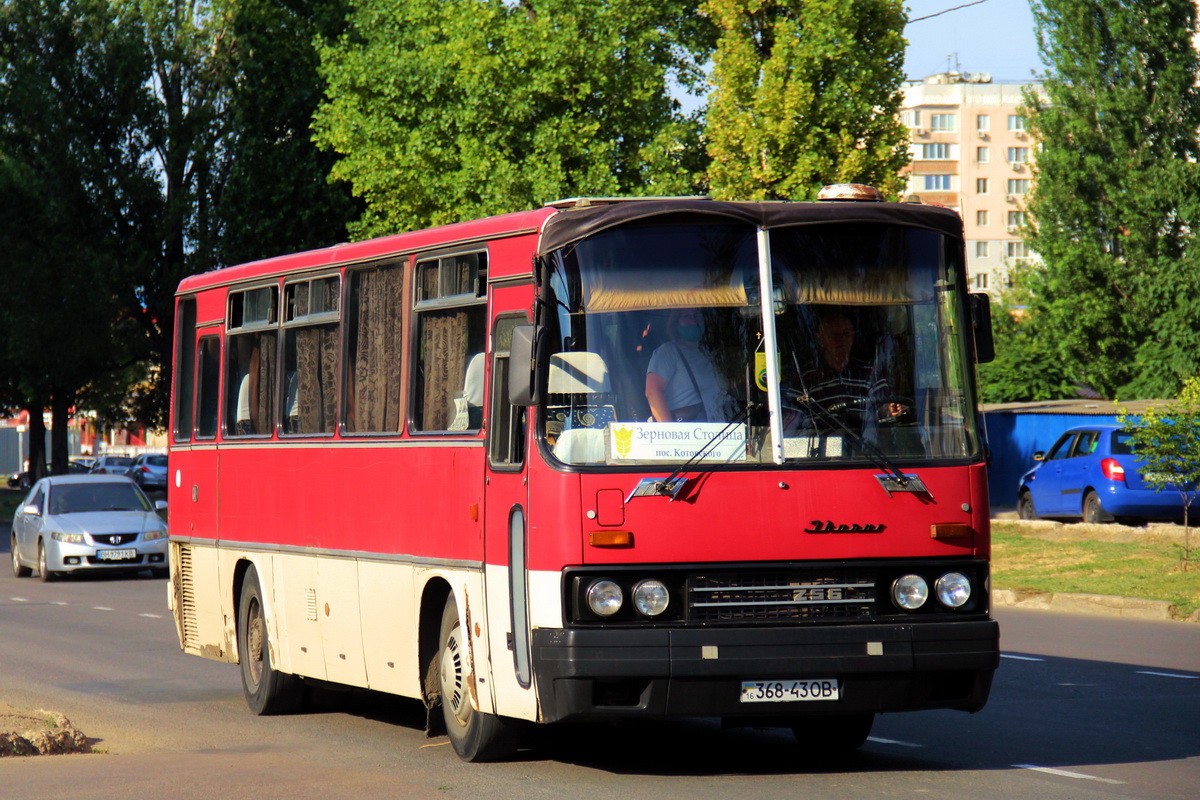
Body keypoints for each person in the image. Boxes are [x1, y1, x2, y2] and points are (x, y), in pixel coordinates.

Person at [796, 310, 904, 431]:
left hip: (864, 444)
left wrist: (889, 409)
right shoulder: (805, 378)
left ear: (853, 337)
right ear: (820, 339)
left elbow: (883, 407)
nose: (841, 340)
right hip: (819, 446)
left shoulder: (870, 374)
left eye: (846, 334)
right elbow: (795, 419)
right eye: (834, 335)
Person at [645, 309, 726, 422]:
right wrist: (670, 432)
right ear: (676, 323)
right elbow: (653, 391)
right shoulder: (668, 351)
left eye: (697, 315)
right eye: (687, 317)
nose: (694, 321)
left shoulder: (708, 354)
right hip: (687, 434)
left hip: (719, 431)